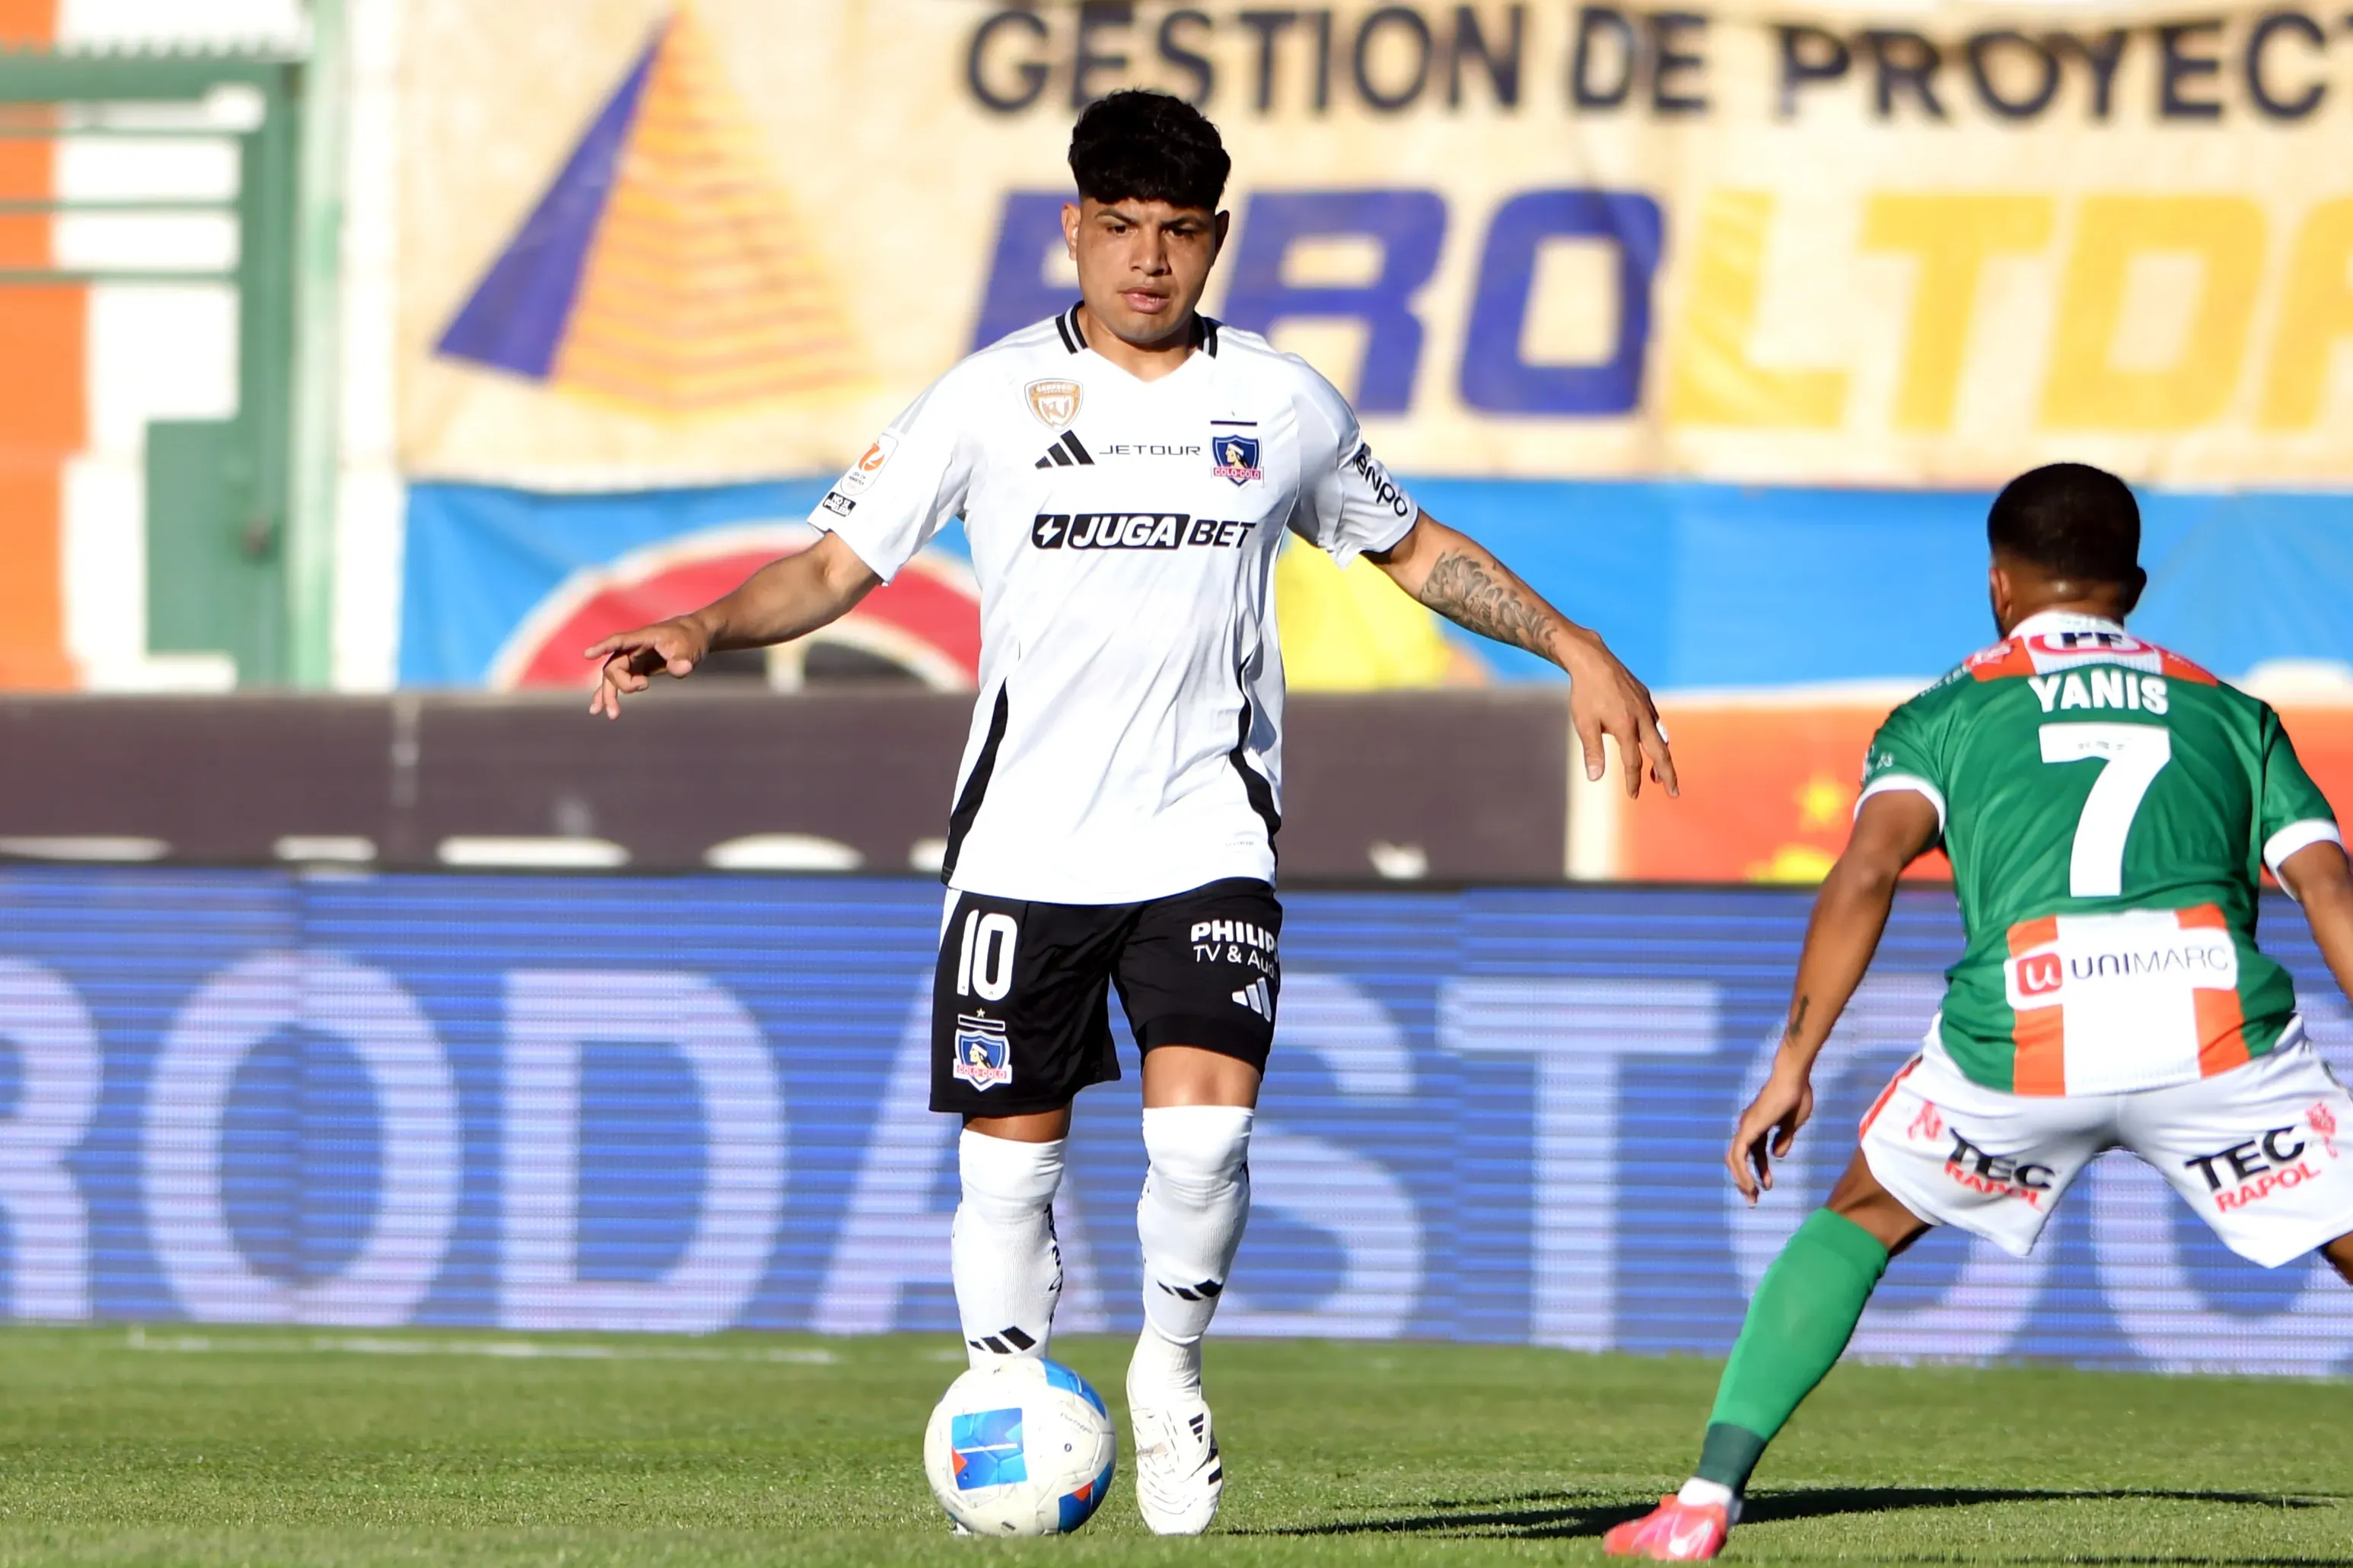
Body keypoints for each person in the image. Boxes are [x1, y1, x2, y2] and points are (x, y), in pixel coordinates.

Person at [584, 89, 1676, 1535]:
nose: (1148, 261)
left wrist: (1575, 646)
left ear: (1216, 241)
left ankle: (1166, 1373)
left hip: (1204, 835)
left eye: (1177, 234)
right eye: (1120, 230)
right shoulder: (987, 399)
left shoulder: (1279, 405)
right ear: (1073, 231)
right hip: (1023, 849)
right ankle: (1010, 1398)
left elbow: (1419, 554)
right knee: (1007, 1171)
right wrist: (702, 632)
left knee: (1204, 1146)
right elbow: (837, 568)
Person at [1605, 463, 2353, 1561]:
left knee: (1860, 1217)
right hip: (2213, 1031)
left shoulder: (1944, 717)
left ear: (2000, 586)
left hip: (2025, 1032)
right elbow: (2329, 887)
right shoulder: (2234, 717)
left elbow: (1865, 872)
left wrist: (1794, 1059)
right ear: (2133, 584)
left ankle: (1704, 1502)